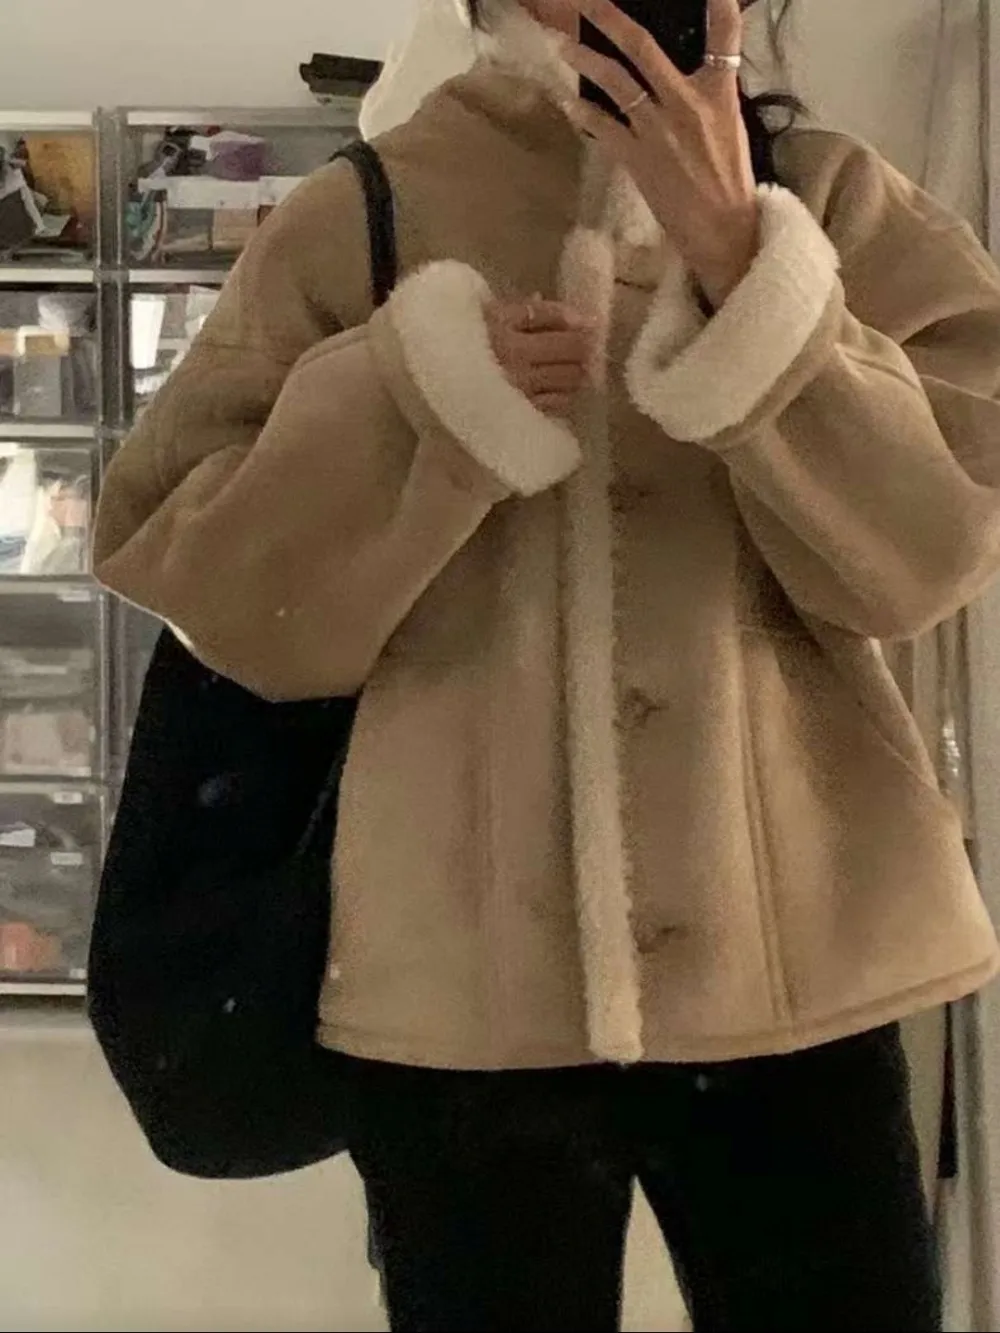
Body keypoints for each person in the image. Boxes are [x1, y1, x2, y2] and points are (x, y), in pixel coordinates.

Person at [92, 0, 1000, 1327]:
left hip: (802, 966)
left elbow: (931, 558)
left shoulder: (833, 198)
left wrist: (749, 269)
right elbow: (202, 579)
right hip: (460, 994)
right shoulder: (367, 209)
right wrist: (411, 397)